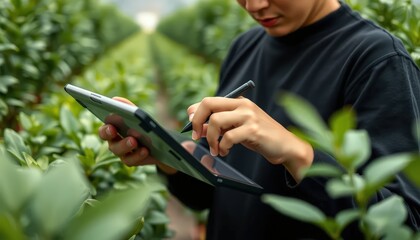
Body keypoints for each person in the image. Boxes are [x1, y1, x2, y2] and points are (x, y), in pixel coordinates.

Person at [99, 0, 420, 239]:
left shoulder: (375, 60)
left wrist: (296, 152)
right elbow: (218, 193)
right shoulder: (245, 46)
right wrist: (168, 156)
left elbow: (403, 223)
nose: (255, 5)